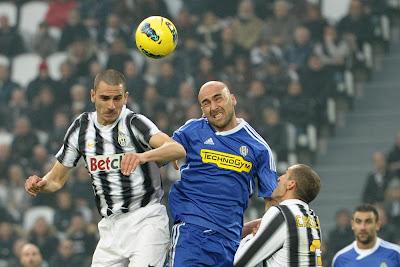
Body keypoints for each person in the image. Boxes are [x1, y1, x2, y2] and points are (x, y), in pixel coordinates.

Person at [25, 69, 186, 267]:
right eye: (105, 98)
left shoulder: (134, 122)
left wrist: (142, 156)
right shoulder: (81, 128)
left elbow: (176, 149)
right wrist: (41, 184)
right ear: (93, 95)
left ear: (125, 97)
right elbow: (56, 180)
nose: (111, 105)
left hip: (146, 219)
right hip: (110, 228)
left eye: (117, 98)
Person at [167, 81, 278, 266]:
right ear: (202, 109)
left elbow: (273, 199)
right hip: (191, 233)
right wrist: (164, 151)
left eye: (218, 99)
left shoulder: (259, 148)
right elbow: (164, 148)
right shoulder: (193, 130)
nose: (213, 107)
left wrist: (257, 230)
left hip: (230, 243)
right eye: (206, 103)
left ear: (233, 99)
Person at [234, 164, 322, 267]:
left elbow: (240, 262)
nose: (279, 178)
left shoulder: (281, 214)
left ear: (291, 184)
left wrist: (250, 237)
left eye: (285, 174)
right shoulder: (312, 217)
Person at [332, 204, 400, 267]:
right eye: (358, 222)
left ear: (377, 225)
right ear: (352, 225)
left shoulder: (396, 253)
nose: (363, 227)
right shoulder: (340, 258)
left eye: (368, 222)